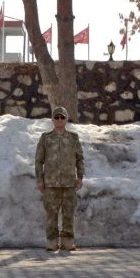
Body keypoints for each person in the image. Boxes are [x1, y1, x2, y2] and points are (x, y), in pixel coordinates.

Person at [35, 107, 85, 253]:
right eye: (56, 117)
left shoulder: (73, 138)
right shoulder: (45, 138)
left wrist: (80, 177)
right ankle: (52, 242)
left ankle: (68, 242)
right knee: (51, 213)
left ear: (66, 119)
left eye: (62, 117)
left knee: (68, 213)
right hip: (51, 182)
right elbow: (39, 161)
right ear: (52, 119)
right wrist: (40, 179)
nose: (59, 120)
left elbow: (79, 159)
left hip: (69, 182)